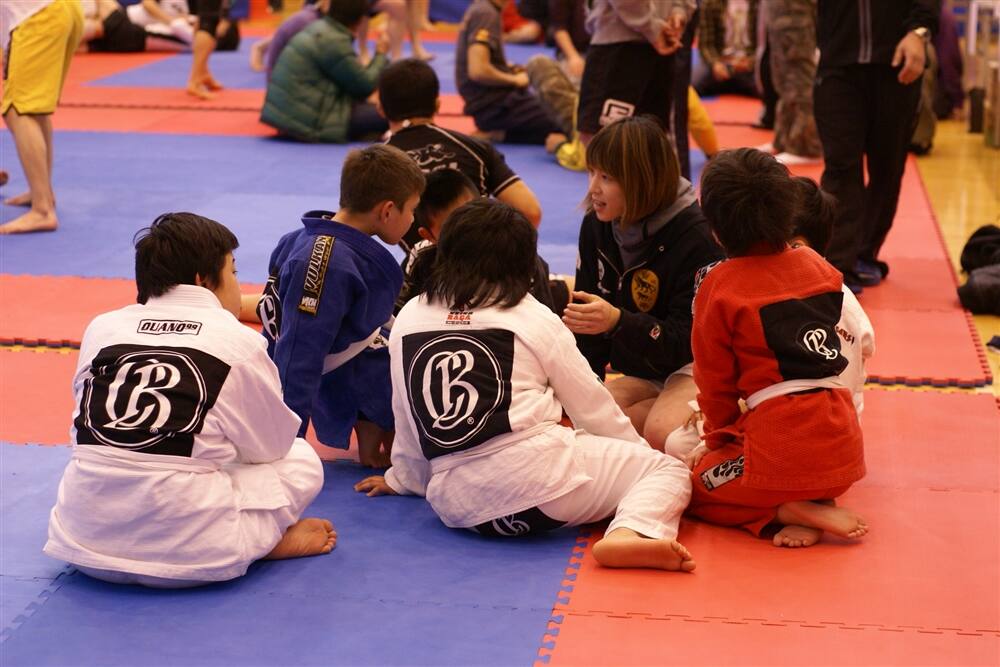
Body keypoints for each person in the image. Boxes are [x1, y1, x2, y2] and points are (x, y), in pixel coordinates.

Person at [354, 199, 695, 572]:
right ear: (522, 264)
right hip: (545, 490)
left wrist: (404, 479)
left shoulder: (410, 316)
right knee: (666, 470)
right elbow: (591, 406)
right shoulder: (530, 315)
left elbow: (407, 414)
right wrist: (635, 458)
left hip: (458, 508)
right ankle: (631, 531)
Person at [43, 213, 335, 587]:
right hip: (194, 559)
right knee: (300, 457)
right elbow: (271, 449)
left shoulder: (102, 327)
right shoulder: (238, 341)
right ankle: (260, 542)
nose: (237, 283)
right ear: (203, 280)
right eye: (233, 271)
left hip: (81, 542)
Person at [686, 148, 868, 548]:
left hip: (781, 450)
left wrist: (717, 442)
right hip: (843, 450)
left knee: (694, 485)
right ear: (789, 214)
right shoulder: (820, 268)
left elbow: (715, 384)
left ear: (715, 230)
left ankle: (785, 509)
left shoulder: (719, 287)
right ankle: (815, 499)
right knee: (788, 452)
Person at [664, 175, 874, 461]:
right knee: (679, 441)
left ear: (797, 245)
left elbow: (827, 384)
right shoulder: (788, 280)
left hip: (808, 424)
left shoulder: (833, 297)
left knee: (689, 460)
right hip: (788, 417)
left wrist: (719, 432)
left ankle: (792, 490)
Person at [258, 145, 424, 468]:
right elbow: (299, 355)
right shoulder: (327, 263)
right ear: (388, 211)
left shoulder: (300, 238)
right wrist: (287, 446)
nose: (413, 219)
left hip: (333, 364)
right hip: (326, 373)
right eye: (412, 210)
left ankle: (371, 431)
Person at [564, 116, 724, 451]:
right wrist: (587, 388)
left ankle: (723, 413)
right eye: (591, 172)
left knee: (661, 432)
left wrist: (618, 322)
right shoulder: (597, 224)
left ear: (641, 180)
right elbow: (586, 322)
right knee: (592, 420)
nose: (593, 188)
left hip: (694, 362)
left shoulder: (696, 237)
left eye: (606, 177)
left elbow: (687, 341)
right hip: (646, 364)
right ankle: (666, 412)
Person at [814, 0, 938, 293]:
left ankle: (864, 252)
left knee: (888, 167)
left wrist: (919, 32)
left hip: (897, 65)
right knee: (841, 165)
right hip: (838, 63)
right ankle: (839, 263)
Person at [378, 58, 542, 229]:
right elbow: (531, 212)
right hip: (479, 242)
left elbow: (358, 228)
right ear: (438, 104)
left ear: (380, 109)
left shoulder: (376, 164)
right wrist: (487, 237)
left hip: (424, 245)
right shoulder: (475, 148)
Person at [393, 168, 566, 316]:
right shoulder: (420, 257)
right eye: (453, 229)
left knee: (565, 295)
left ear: (484, 205)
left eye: (473, 218)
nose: (469, 234)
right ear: (429, 236)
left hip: (506, 329)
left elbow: (543, 321)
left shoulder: (518, 253)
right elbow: (398, 316)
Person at [0, 0, 83, 235]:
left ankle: (42, 209)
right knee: (34, 110)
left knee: (19, 111)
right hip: (62, 10)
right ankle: (42, 192)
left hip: (36, 16)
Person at [261, 0, 389, 143]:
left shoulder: (321, 27)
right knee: (393, 112)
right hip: (306, 118)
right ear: (359, 20)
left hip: (292, 111)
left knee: (381, 109)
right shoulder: (332, 39)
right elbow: (364, 86)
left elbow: (352, 79)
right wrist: (381, 53)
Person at [575, 0, 692, 145]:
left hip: (621, 44)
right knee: (652, 138)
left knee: (602, 138)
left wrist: (659, 24)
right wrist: (678, 12)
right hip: (658, 39)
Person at [455, 0, 565, 145]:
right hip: (495, 106)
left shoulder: (483, 8)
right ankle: (499, 133)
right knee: (566, 121)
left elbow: (480, 61)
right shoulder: (486, 13)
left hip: (491, 103)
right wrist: (514, 80)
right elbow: (477, 71)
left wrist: (509, 68)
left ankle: (501, 134)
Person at [762, 0, 822, 163]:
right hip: (781, 15)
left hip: (796, 16)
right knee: (783, 80)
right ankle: (785, 140)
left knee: (800, 79)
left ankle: (806, 147)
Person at [693, 0, 760, 99]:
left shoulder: (759, 4)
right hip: (720, 61)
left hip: (749, 64)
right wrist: (715, 64)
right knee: (690, 89)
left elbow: (764, 45)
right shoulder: (710, 3)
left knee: (770, 91)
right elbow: (706, 44)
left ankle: (736, 84)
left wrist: (751, 62)